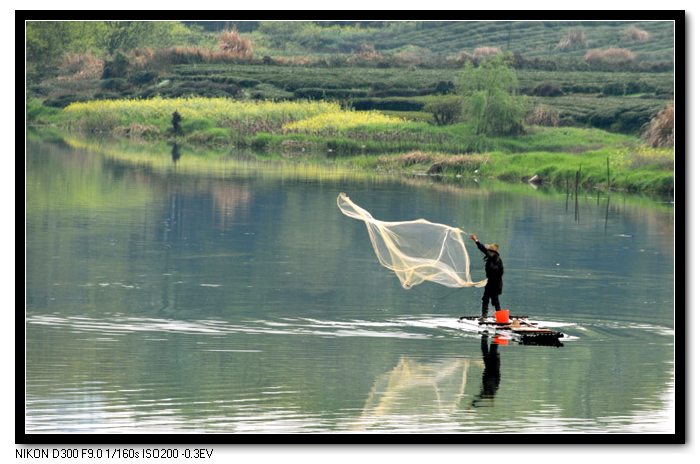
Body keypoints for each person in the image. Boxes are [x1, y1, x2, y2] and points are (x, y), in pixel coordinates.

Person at [469, 234, 504, 319]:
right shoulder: (496, 257)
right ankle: (495, 316)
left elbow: (483, 248)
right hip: (495, 282)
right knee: (489, 299)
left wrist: (476, 240)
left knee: (490, 299)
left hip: (494, 283)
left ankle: (486, 316)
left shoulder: (493, 256)